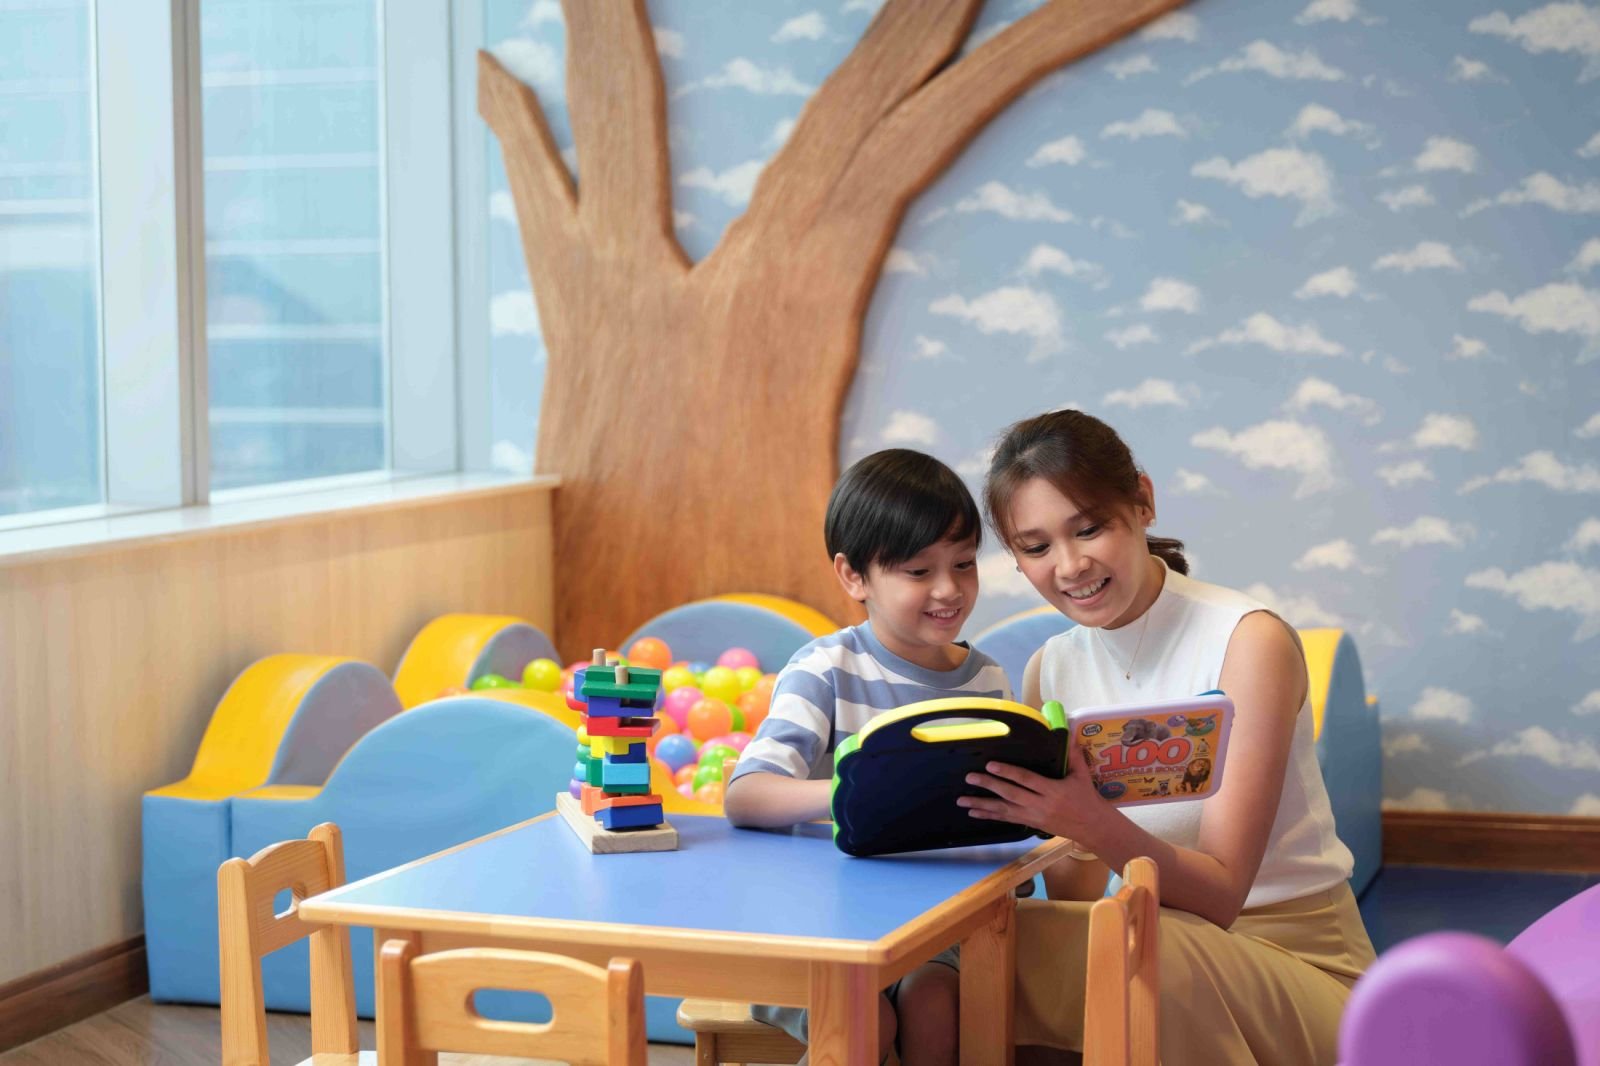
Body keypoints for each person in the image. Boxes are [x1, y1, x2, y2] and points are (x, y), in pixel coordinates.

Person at [960, 409, 1375, 1066]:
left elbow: (1221, 897)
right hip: (1154, 951)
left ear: (1143, 502)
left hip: (1304, 967)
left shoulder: (1247, 641)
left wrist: (1088, 818)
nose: (1069, 565)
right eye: (1036, 548)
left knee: (1145, 945)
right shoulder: (1051, 669)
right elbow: (1075, 896)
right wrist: (1044, 824)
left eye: (1088, 528)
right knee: (994, 943)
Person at [726, 447, 1013, 1066]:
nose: (949, 589)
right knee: (863, 1019)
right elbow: (745, 795)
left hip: (934, 924)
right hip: (816, 923)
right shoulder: (825, 669)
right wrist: (862, 793)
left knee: (936, 1007)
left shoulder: (987, 680)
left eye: (964, 564)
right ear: (854, 576)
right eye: (918, 570)